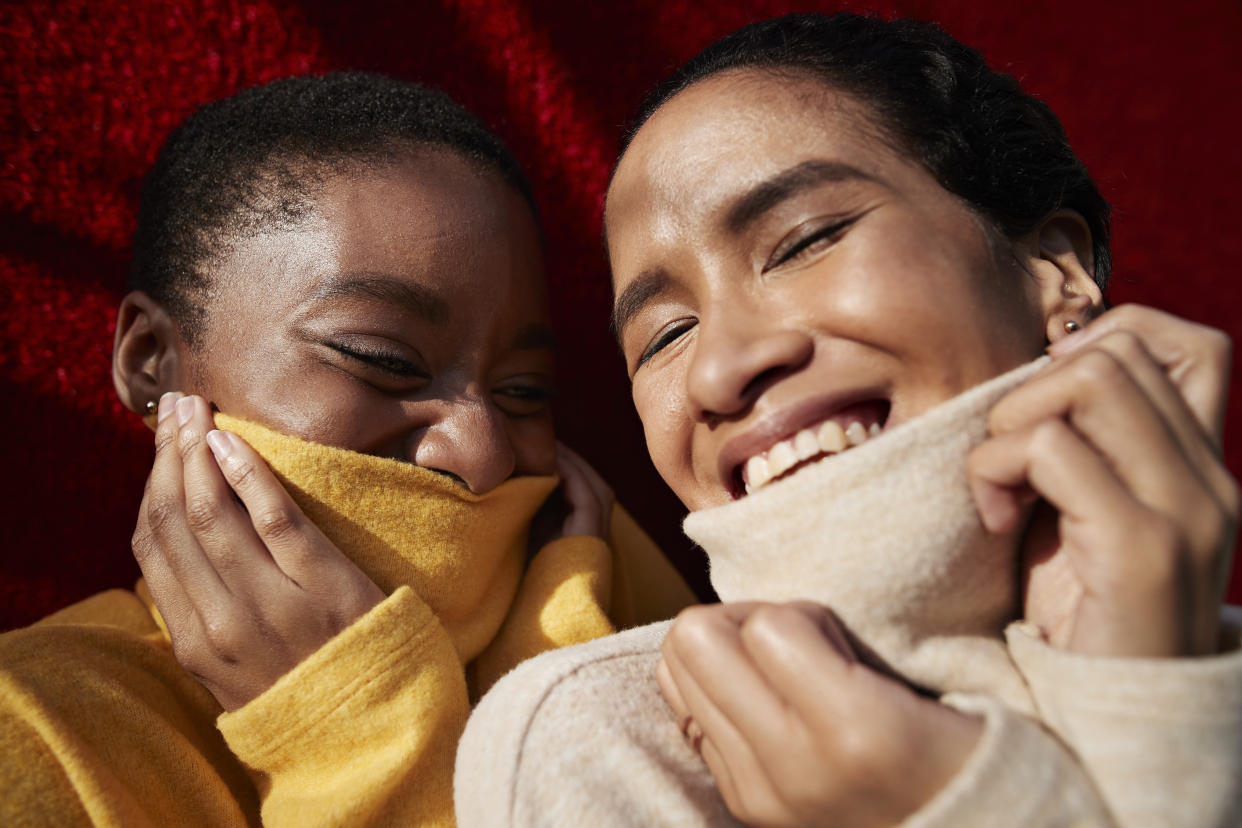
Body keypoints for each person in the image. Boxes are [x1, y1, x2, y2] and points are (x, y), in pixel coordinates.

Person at [454, 13, 1241, 827]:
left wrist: (1156, 689)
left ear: (1053, 270)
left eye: (804, 241)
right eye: (666, 336)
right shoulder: (606, 741)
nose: (722, 370)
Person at [0, 72, 693, 826]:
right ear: (150, 363)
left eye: (524, 391)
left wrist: (564, 676)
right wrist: (350, 727)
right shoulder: (37, 731)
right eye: (380, 359)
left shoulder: (643, 638)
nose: (482, 453)